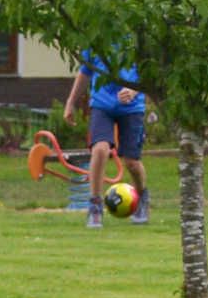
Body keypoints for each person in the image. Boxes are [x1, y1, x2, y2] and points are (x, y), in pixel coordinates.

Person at [62, 52, 152, 227]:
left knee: (132, 162)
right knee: (100, 149)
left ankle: (141, 198)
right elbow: (85, 72)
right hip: (102, 105)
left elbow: (148, 73)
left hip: (132, 107)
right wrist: (70, 102)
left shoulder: (135, 40)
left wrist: (133, 91)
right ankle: (95, 205)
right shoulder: (95, 42)